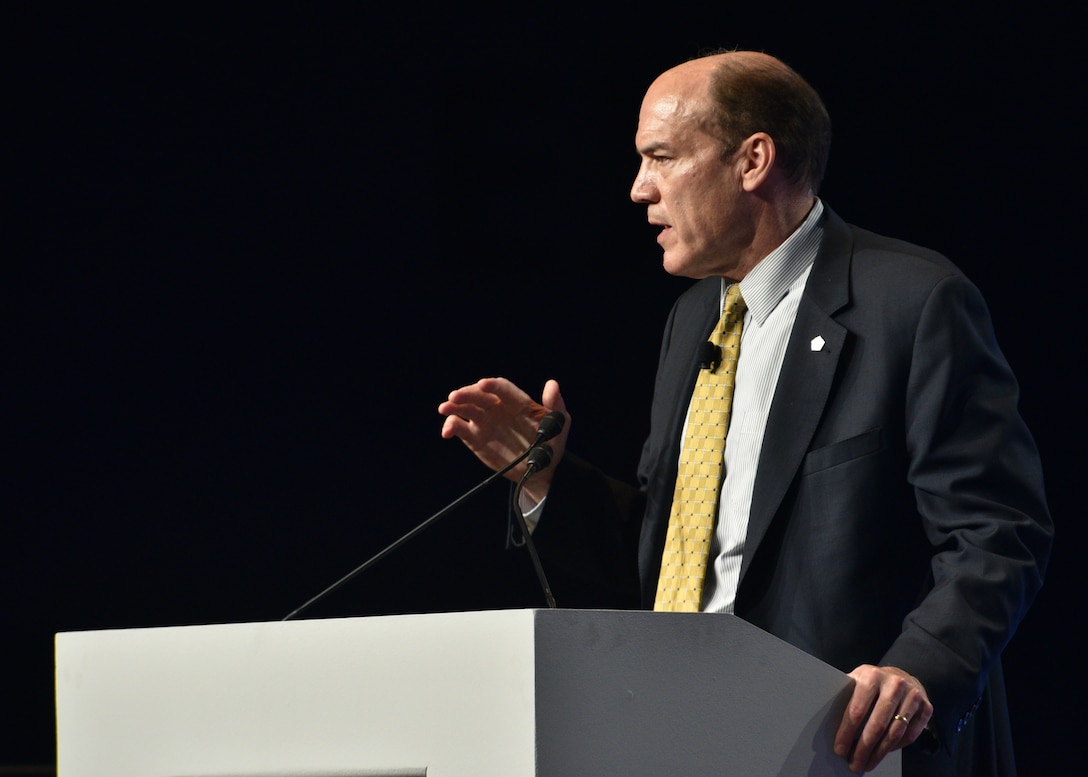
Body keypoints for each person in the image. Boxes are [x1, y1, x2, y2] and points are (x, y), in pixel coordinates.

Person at [438, 51, 1052, 776]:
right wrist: (548, 481)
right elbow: (673, 551)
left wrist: (920, 669)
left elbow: (995, 530)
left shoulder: (912, 303)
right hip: (686, 733)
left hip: (848, 747)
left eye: (660, 157)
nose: (639, 189)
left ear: (753, 159)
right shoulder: (691, 320)